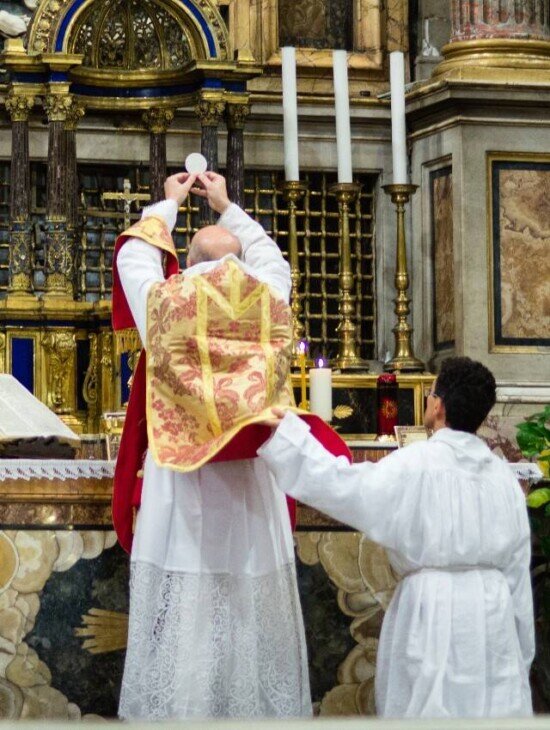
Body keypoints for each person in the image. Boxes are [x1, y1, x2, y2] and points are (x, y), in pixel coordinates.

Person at [113, 171, 312, 720]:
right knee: (246, 603)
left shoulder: (168, 299)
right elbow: (273, 258)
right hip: (249, 485)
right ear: (239, 259)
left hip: (184, 480)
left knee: (187, 610)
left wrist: (169, 204)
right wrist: (227, 206)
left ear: (188, 256)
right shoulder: (268, 295)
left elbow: (134, 256)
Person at [258, 357, 535, 718]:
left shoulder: (416, 464)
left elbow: (343, 487)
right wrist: (520, 656)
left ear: (438, 405)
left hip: (431, 615)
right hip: (493, 622)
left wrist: (287, 437)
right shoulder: (503, 479)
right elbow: (517, 580)